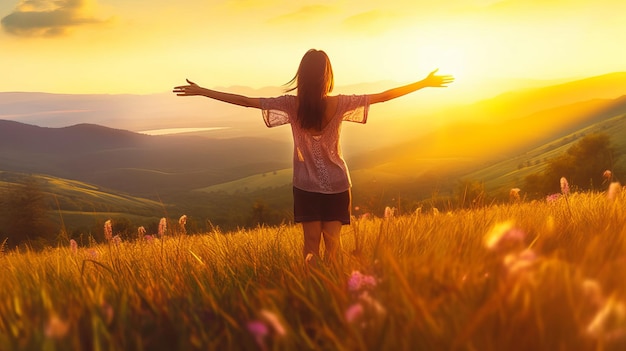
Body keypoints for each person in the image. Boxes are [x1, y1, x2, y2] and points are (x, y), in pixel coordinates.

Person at [173, 49, 453, 264]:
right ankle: (332, 297)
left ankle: (311, 294)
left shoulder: (290, 105)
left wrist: (203, 91)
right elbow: (384, 96)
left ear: (302, 76)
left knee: (310, 248)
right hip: (338, 185)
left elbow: (246, 101)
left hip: (305, 186)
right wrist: (423, 83)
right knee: (334, 248)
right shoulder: (340, 103)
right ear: (327, 75)